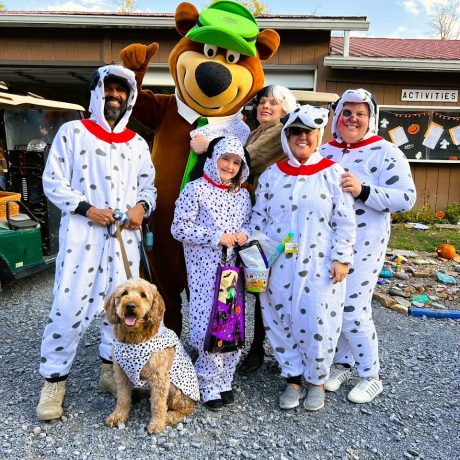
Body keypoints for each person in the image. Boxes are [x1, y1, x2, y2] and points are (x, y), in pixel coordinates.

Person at [36, 65, 157, 421]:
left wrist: (140, 207)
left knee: (122, 310)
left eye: (122, 91)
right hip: (82, 238)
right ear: (96, 92)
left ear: (130, 97)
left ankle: (111, 370)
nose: (115, 96)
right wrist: (88, 210)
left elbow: (149, 186)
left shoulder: (136, 143)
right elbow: (53, 181)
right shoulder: (72, 133)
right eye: (110, 89)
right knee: (69, 308)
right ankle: (54, 382)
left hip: (123, 242)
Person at [251, 105, 356, 411]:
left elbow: (345, 221)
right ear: (286, 135)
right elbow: (259, 222)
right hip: (278, 265)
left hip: (320, 265)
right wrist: (259, 263)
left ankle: (317, 380)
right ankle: (292, 378)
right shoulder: (272, 175)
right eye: (295, 131)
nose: (301, 138)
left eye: (308, 132)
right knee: (280, 319)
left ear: (317, 135)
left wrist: (341, 258)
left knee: (318, 322)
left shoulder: (333, 173)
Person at [190, 85, 297, 374]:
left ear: (285, 109)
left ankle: (258, 347)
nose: (266, 106)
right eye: (263, 101)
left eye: (274, 103)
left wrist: (208, 149)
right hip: (254, 213)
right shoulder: (258, 130)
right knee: (248, 283)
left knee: (262, 284)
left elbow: (245, 159)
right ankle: (233, 344)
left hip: (269, 220)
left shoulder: (277, 132)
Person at [320, 88, 416, 404]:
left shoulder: (385, 152)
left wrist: (363, 190)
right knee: (333, 306)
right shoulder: (324, 151)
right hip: (329, 245)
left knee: (353, 309)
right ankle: (344, 363)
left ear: (370, 118)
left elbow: (406, 198)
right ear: (337, 117)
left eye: (360, 113)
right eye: (347, 112)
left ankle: (371, 375)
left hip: (366, 245)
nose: (353, 119)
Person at [171, 135, 252, 411]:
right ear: (213, 158)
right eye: (225, 159)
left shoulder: (242, 194)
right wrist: (216, 236)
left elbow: (250, 224)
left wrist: (244, 234)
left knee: (231, 325)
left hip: (233, 271)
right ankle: (207, 382)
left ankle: (225, 379)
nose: (230, 166)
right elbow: (178, 228)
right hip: (205, 272)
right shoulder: (195, 190)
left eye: (236, 162)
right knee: (211, 325)